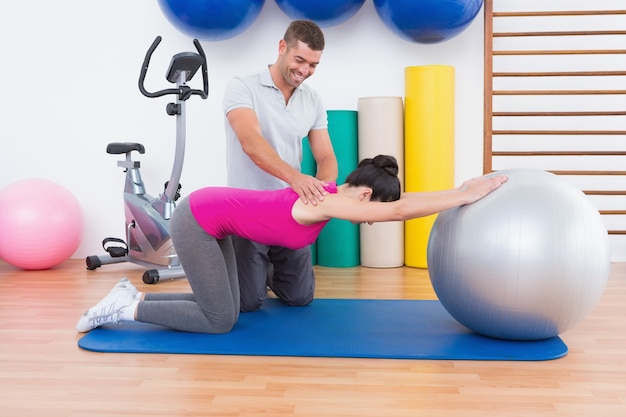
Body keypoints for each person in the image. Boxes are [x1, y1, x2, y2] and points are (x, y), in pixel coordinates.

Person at [76, 155, 508, 334]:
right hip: (197, 219)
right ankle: (125, 308)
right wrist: (465, 195)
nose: (372, 219)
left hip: (217, 221)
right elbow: (395, 211)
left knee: (231, 303)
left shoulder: (335, 193)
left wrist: (459, 188)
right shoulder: (327, 200)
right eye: (371, 208)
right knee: (219, 320)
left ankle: (129, 295)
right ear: (363, 196)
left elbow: (399, 203)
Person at [223, 20, 338, 312]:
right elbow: (251, 143)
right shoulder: (242, 87)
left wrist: (321, 194)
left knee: (300, 298)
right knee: (247, 303)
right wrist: (296, 178)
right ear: (282, 47)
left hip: (290, 208)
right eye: (300, 60)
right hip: (248, 209)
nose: (304, 71)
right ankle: (251, 274)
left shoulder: (313, 99)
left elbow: (326, 157)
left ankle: (267, 273)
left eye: (313, 65)